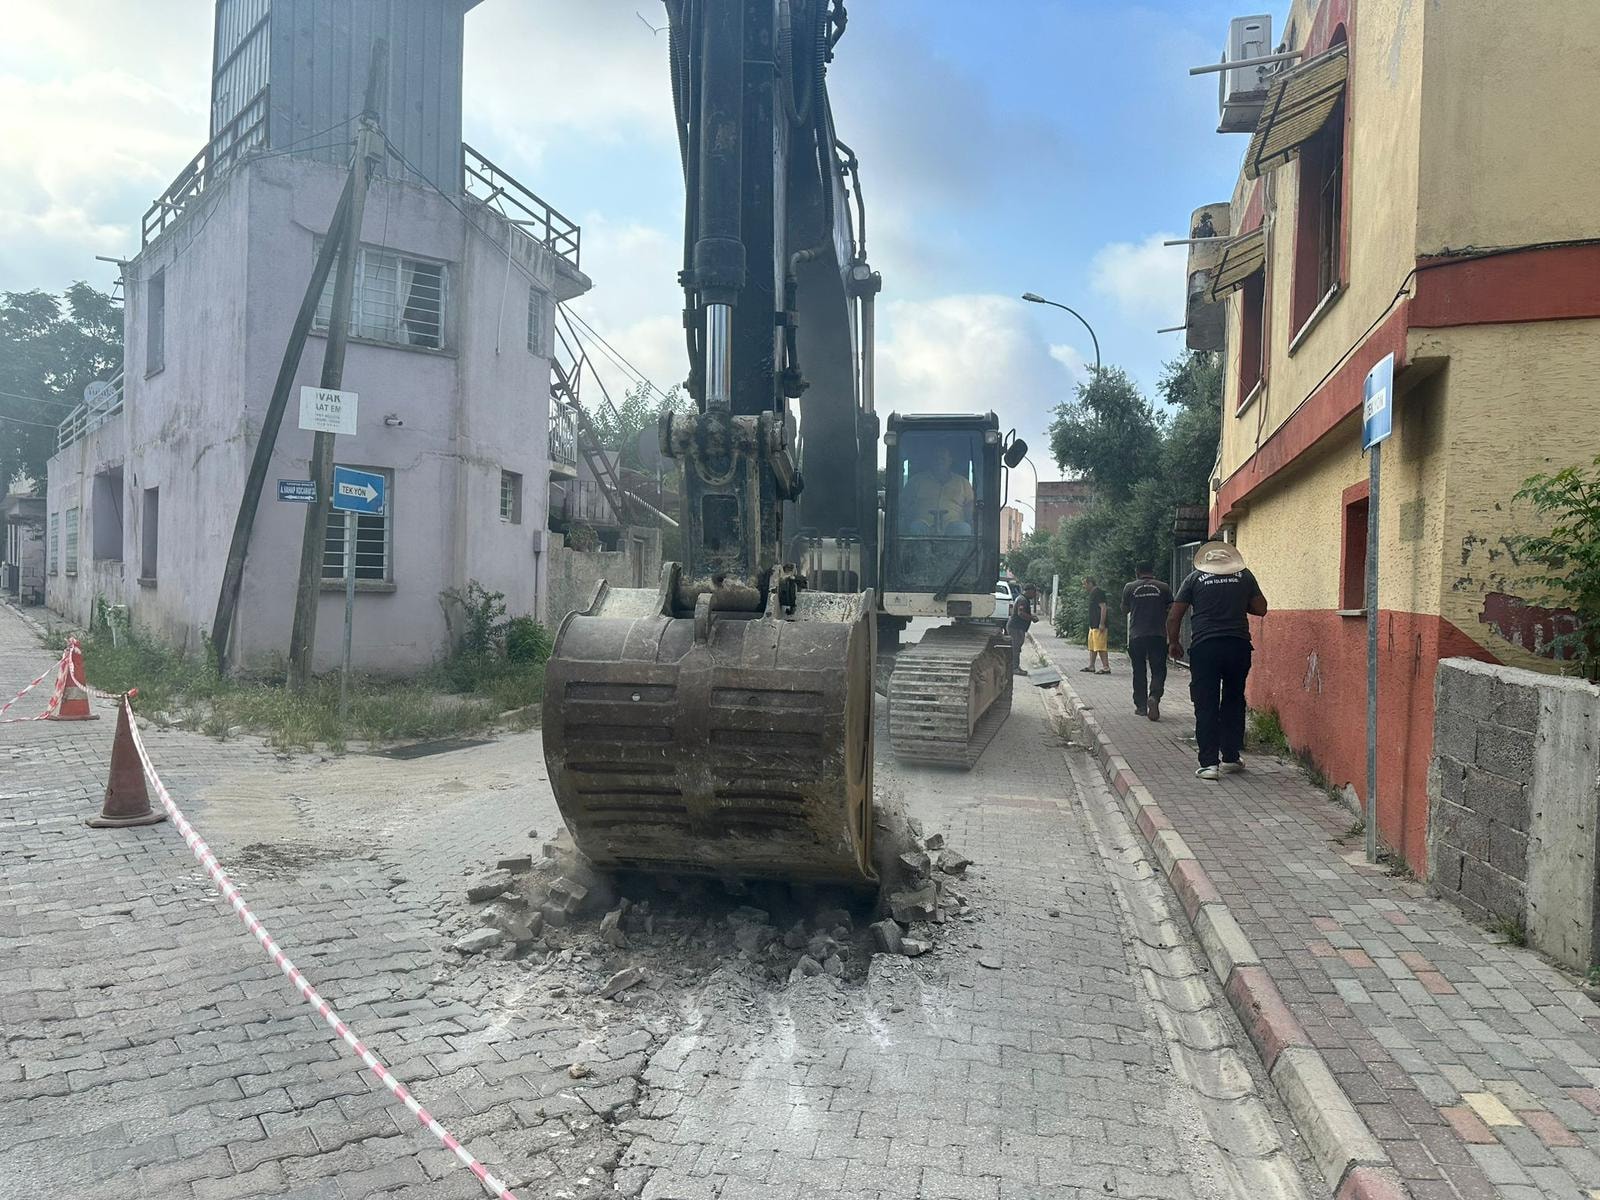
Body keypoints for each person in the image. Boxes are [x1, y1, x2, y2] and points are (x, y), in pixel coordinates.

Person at [1167, 541, 1268, 781]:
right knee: (1234, 700)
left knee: (1206, 703)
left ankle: (1209, 764)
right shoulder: (1244, 576)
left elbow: (1175, 614)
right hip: (1238, 646)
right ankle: (1231, 757)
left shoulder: (1194, 578)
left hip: (1205, 647)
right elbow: (1261, 608)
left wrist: (1173, 642)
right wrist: (1238, 603)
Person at [1122, 563, 1172, 720]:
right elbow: (1172, 609)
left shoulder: (1129, 587)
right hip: (1158, 634)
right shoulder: (1163, 587)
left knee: (1139, 671)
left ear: (1137, 572)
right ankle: (1155, 697)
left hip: (1137, 635)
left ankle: (1141, 707)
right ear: (1152, 572)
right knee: (1158, 669)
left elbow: (1124, 609)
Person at [902, 446, 974, 535]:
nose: (939, 461)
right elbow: (904, 506)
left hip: (954, 530)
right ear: (930, 461)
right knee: (916, 526)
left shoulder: (963, 483)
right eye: (936, 458)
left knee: (964, 528)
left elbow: (970, 509)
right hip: (923, 528)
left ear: (950, 460)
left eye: (942, 459)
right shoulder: (915, 481)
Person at [1007, 583, 1040, 675]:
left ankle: (1014, 667)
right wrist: (1031, 618)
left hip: (1018, 627)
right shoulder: (1022, 600)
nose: (1034, 595)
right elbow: (1020, 613)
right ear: (1029, 591)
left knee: (1016, 648)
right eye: (1034, 592)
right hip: (1016, 627)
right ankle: (1014, 668)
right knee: (1015, 648)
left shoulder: (1023, 599)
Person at [1081, 577, 1110, 674]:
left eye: (1084, 584)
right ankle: (1091, 665)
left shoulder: (1098, 593)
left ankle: (1106, 667)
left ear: (1090, 583)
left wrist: (1102, 623)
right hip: (1093, 624)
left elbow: (1103, 608)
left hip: (1099, 625)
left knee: (1100, 646)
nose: (1084, 586)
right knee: (1092, 646)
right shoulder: (1092, 593)